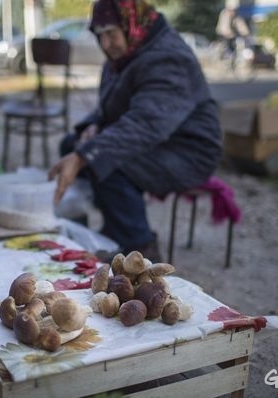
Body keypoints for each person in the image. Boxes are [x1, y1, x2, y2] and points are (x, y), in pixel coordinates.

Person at [48, 0, 222, 262]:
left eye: (111, 33)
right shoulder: (123, 53)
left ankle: (139, 249)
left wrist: (87, 154)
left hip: (187, 151)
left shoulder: (167, 58)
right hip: (157, 142)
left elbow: (146, 123)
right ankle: (104, 228)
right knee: (71, 146)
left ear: (132, 23)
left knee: (103, 160)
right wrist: (93, 128)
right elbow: (113, 109)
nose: (105, 44)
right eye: (99, 35)